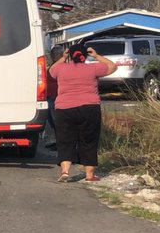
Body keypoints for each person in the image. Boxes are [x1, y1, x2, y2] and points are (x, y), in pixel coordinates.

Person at [48, 43, 118, 182]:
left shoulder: (61, 68)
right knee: (89, 141)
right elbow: (113, 66)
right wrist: (96, 56)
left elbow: (51, 71)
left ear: (70, 56)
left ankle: (65, 172)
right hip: (89, 108)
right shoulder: (93, 68)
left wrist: (63, 58)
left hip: (64, 108)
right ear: (85, 56)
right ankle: (89, 175)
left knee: (65, 140)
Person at [44, 46, 63, 149]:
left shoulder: (62, 66)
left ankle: (61, 143)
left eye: (56, 54)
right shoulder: (53, 65)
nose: (54, 56)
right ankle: (57, 141)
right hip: (50, 96)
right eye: (53, 54)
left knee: (57, 121)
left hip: (57, 97)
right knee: (52, 121)